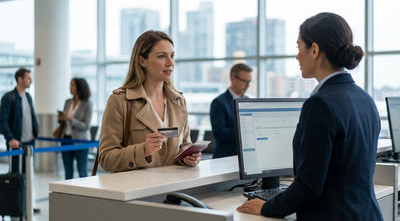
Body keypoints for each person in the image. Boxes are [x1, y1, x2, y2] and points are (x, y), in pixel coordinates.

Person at [237, 12, 383, 221]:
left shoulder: (320, 104)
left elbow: (308, 186)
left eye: (299, 47)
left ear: (314, 49)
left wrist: (266, 207)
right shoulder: (365, 99)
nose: (296, 56)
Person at [98, 30, 201, 173]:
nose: (170, 63)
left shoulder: (178, 101)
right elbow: (106, 158)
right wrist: (143, 151)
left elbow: (184, 143)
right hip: (136, 191)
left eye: (172, 56)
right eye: (161, 56)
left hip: (174, 188)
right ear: (142, 61)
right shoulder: (120, 101)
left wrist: (187, 156)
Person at [0, 67, 39, 174]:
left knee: (27, 173)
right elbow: (3, 120)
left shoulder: (28, 96)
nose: (31, 81)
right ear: (20, 79)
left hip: (29, 142)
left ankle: (26, 191)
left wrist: (35, 132)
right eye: (28, 78)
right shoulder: (8, 97)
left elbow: (31, 117)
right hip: (16, 143)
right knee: (15, 173)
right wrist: (10, 138)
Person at [210, 63, 252, 158]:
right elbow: (219, 133)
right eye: (245, 81)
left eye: (250, 82)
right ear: (233, 78)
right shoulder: (219, 102)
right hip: (225, 158)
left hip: (246, 157)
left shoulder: (248, 101)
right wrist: (245, 131)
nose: (248, 86)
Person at [57, 78, 93, 179]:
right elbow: (64, 121)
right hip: (66, 139)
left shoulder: (87, 104)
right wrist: (62, 118)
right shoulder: (68, 102)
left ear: (79, 87)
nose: (70, 87)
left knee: (82, 172)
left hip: (81, 141)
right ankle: (68, 193)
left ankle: (84, 194)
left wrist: (71, 119)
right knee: (68, 172)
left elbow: (86, 126)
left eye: (72, 85)